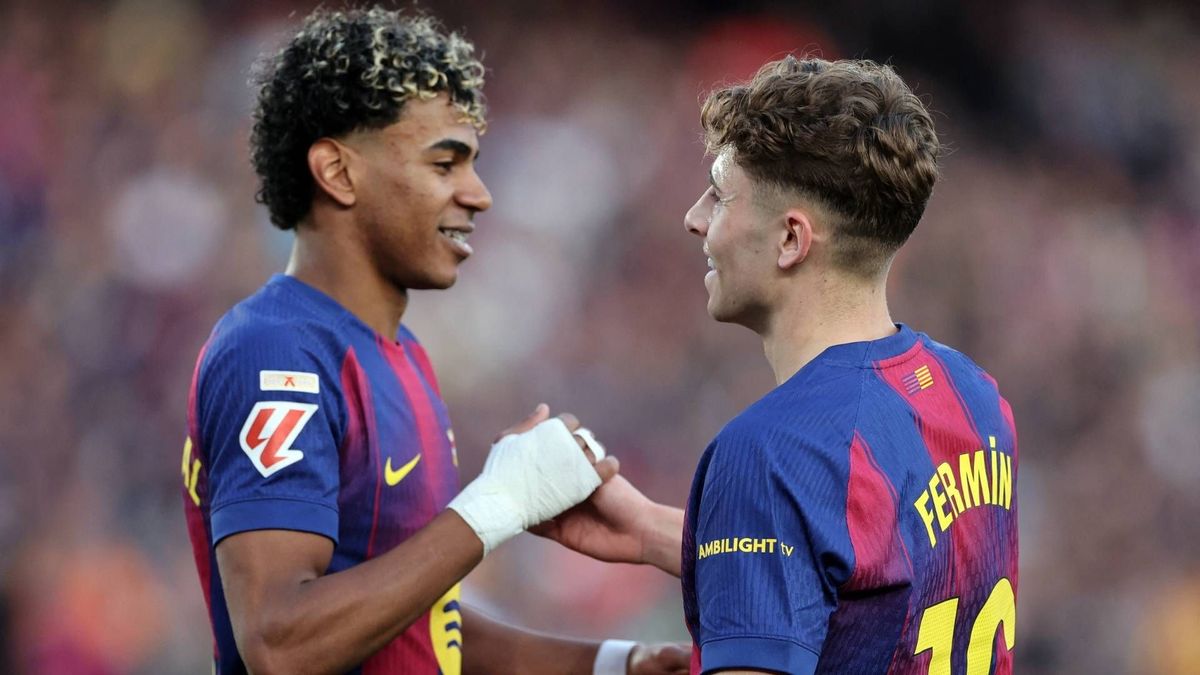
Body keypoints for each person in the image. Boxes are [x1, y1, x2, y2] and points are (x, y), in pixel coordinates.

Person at [179, 8, 688, 675]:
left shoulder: (403, 355)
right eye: (444, 162)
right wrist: (496, 504)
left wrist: (612, 662)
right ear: (337, 171)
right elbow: (281, 643)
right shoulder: (276, 353)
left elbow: (416, 628)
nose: (478, 194)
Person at [539, 56, 1019, 674]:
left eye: (719, 194)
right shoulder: (976, 397)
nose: (695, 219)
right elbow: (875, 587)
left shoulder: (770, 451)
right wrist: (652, 533)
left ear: (792, 240)